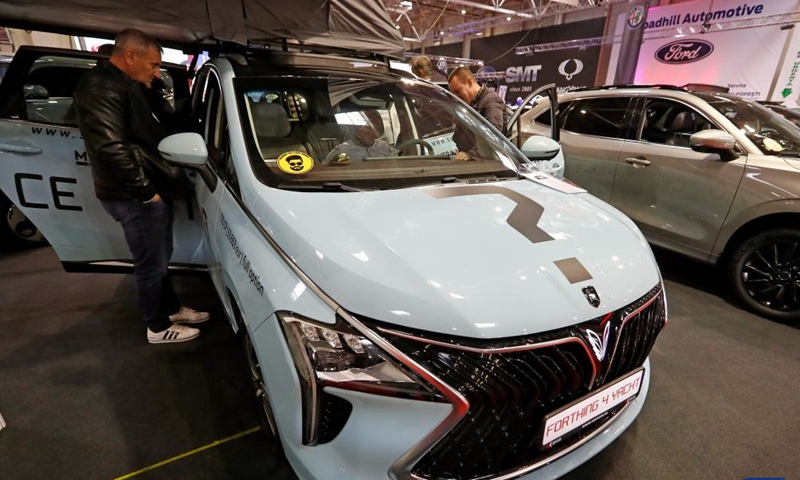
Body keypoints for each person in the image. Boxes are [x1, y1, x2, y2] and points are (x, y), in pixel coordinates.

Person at [73, 28, 209, 344]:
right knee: (150, 262)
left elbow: (158, 123)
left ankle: (170, 308)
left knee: (161, 255)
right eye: (153, 65)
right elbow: (110, 148)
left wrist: (152, 88)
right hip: (133, 194)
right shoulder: (100, 87)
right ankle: (158, 327)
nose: (156, 71)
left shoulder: (126, 83)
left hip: (141, 190)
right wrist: (148, 193)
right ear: (130, 55)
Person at [447, 66, 505, 161]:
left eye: (458, 91)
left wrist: (471, 154)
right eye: (454, 93)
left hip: (487, 165)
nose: (456, 96)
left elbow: (493, 134)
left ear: (469, 82)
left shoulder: (491, 100)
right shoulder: (468, 104)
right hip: (472, 162)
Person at [324, 113, 397, 163]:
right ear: (357, 128)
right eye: (369, 128)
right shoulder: (342, 150)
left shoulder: (384, 147)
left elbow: (397, 162)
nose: (374, 133)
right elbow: (326, 171)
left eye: (377, 127)